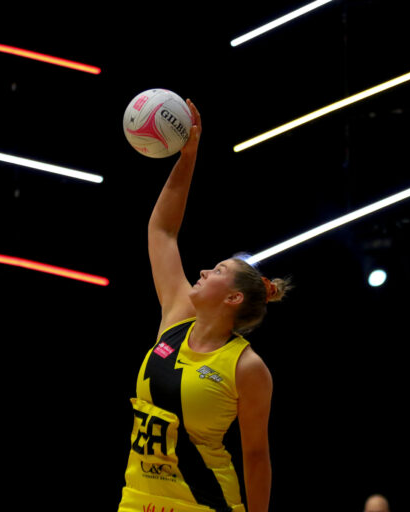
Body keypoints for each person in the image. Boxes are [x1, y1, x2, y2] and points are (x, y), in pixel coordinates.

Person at [116, 100, 291, 512]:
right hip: (138, 497)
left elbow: (256, 456)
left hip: (204, 503)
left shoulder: (247, 368)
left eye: (216, 270)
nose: (203, 271)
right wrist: (188, 157)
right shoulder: (177, 315)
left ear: (233, 298)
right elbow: (161, 230)